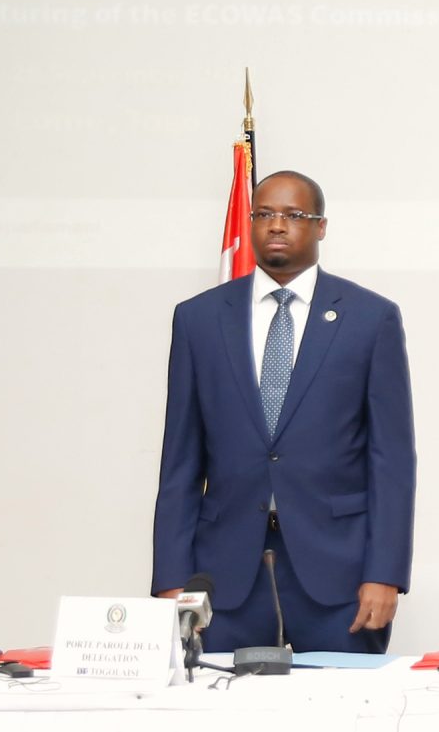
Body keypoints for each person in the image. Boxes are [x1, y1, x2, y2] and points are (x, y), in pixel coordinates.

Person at [154, 170, 416, 652]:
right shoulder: (198, 319)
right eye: (265, 214)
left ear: (320, 227)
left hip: (339, 578)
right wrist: (171, 578)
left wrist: (385, 574)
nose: (277, 225)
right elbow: (180, 462)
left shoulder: (370, 318)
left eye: (294, 215)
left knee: (345, 720)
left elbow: (392, 461)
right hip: (223, 578)